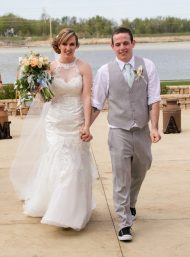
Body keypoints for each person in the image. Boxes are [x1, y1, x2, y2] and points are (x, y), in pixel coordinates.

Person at [10, 28, 96, 230]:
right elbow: (43, 97)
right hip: (55, 123)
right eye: (65, 44)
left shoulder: (85, 67)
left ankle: (71, 211)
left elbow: (86, 97)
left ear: (76, 46)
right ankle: (57, 208)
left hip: (76, 121)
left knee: (75, 165)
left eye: (72, 44)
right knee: (60, 164)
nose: (68, 48)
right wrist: (33, 86)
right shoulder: (47, 68)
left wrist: (86, 124)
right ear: (58, 45)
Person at [90, 27, 161, 241]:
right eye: (117, 44)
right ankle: (124, 223)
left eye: (125, 43)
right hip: (118, 131)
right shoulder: (105, 71)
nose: (122, 47)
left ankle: (131, 203)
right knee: (122, 177)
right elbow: (96, 102)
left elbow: (154, 99)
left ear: (133, 43)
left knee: (142, 167)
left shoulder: (147, 66)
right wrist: (86, 127)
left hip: (141, 130)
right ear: (112, 47)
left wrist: (155, 127)